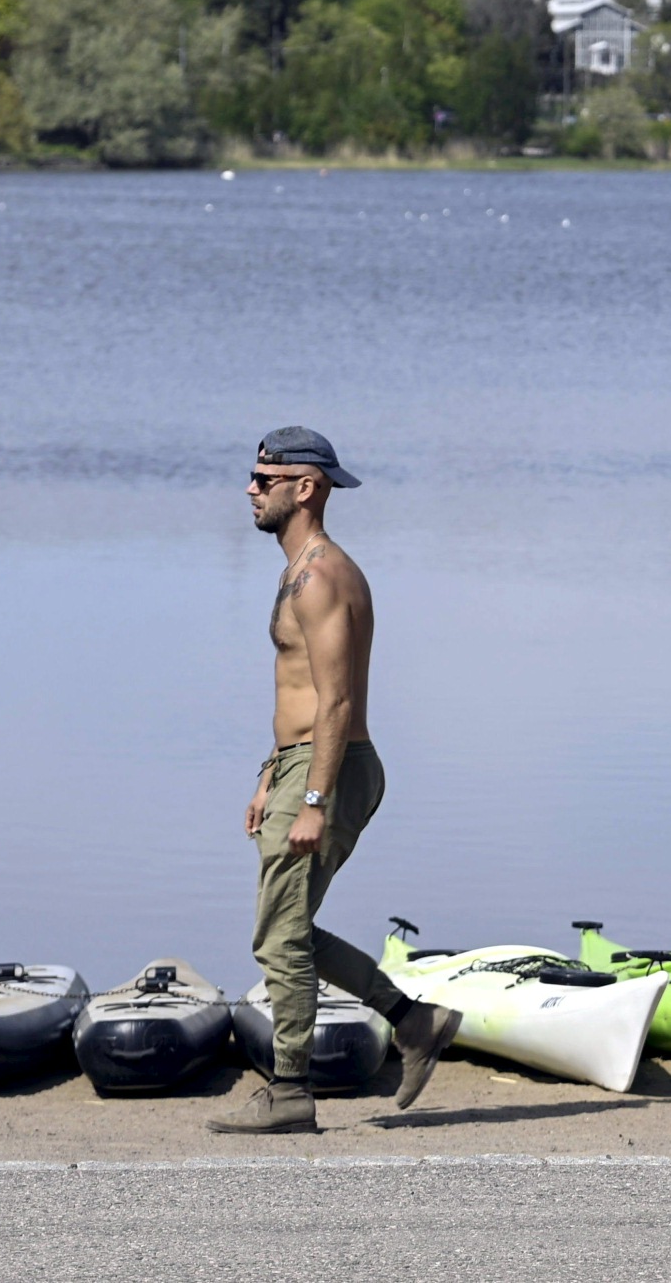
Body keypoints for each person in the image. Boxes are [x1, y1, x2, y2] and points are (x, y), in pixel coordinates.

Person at [206, 427, 462, 1135]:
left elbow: (338, 699)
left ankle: (290, 1092)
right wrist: (271, 774)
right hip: (303, 762)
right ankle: (417, 1022)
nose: (251, 489)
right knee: (287, 930)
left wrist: (313, 797)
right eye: (252, 476)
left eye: (265, 478)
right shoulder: (300, 571)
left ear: (306, 487)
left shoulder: (320, 575)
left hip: (331, 764)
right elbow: (299, 692)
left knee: (279, 937)